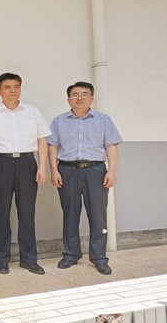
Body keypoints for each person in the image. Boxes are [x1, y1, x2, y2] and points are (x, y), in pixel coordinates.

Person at [0, 73, 51, 275]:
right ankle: (2, 259)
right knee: (0, 213)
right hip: (0, 164)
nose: (12, 90)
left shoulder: (32, 112)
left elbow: (42, 140)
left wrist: (42, 167)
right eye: (7, 87)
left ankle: (29, 259)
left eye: (16, 86)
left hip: (27, 163)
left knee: (27, 213)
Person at [47, 81, 122, 275]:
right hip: (67, 170)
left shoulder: (103, 120)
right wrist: (54, 171)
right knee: (70, 214)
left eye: (84, 94)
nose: (79, 97)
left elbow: (111, 146)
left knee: (98, 216)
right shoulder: (58, 121)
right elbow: (52, 146)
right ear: (68, 99)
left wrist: (112, 171)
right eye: (75, 94)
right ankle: (71, 255)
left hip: (95, 171)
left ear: (91, 98)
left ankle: (99, 258)